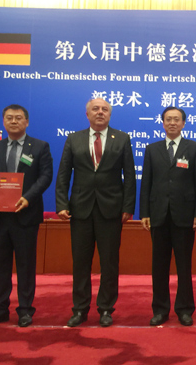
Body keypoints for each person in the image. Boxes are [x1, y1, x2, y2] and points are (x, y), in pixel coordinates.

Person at [55, 98, 135, 328]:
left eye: (105, 109)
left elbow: (129, 176)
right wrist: (61, 203)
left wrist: (128, 207)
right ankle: (80, 309)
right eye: (95, 109)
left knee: (109, 263)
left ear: (110, 114)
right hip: (80, 209)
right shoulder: (74, 138)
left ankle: (106, 309)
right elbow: (63, 174)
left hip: (111, 210)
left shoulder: (122, 138)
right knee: (81, 262)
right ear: (87, 114)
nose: (100, 112)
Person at [0, 105, 53, 327]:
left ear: (26, 122)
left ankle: (25, 310)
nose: (14, 121)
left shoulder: (39, 146)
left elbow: (45, 176)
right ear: (3, 121)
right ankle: (0, 309)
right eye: (9, 118)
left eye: (18, 118)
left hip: (26, 215)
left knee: (26, 266)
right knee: (0, 265)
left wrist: (28, 198)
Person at [140, 106, 196, 327]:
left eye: (176, 119)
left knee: (184, 265)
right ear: (162, 123)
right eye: (168, 119)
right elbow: (146, 183)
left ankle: (185, 309)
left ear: (183, 123)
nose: (172, 123)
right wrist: (144, 212)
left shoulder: (194, 148)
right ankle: (160, 309)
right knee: (159, 265)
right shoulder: (152, 149)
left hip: (184, 215)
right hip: (158, 214)